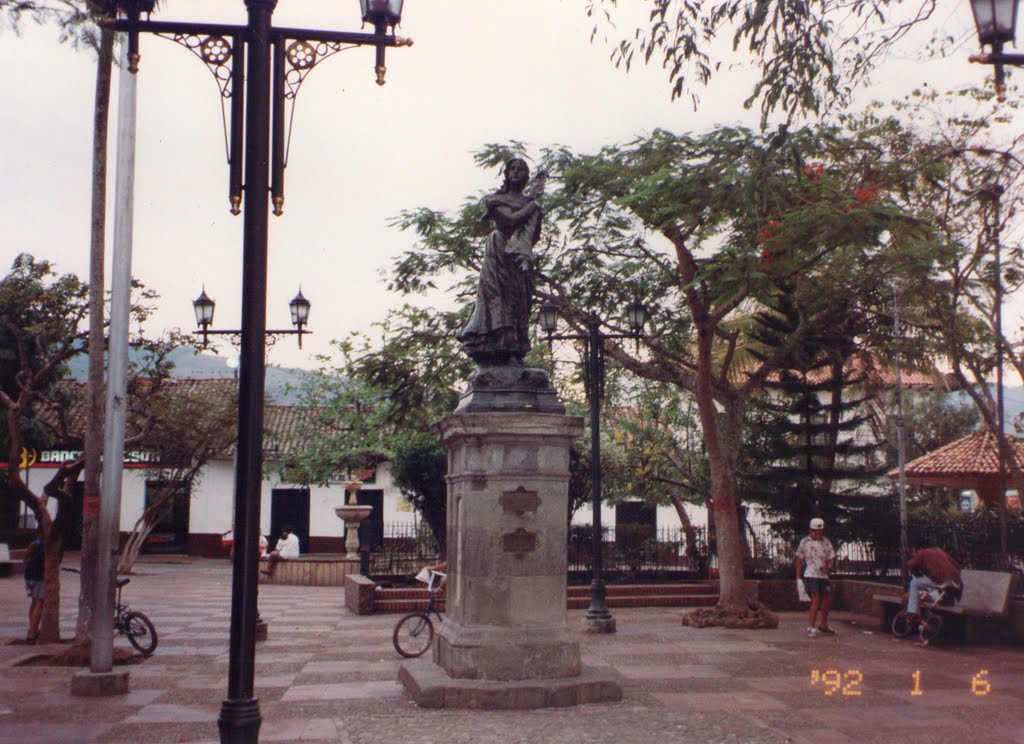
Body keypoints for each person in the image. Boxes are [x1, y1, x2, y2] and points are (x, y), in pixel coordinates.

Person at [456, 157, 546, 366]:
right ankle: (497, 346)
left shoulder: (528, 202)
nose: (516, 172)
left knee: (520, 300)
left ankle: (515, 350)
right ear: (506, 174)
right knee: (498, 297)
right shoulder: (496, 199)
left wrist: (535, 216)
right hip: (499, 251)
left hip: (520, 255)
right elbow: (509, 220)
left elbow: (534, 236)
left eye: (521, 170)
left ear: (526, 176)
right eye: (512, 169)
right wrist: (533, 207)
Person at [795, 517, 837, 637]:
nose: (818, 534)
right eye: (815, 531)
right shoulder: (805, 542)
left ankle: (824, 624)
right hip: (811, 574)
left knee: (827, 599)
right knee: (816, 599)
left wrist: (828, 567)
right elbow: (799, 559)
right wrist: (798, 577)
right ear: (810, 530)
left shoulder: (826, 542)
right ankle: (811, 626)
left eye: (820, 532)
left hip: (823, 576)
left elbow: (831, 557)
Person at [904, 545, 962, 617]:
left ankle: (912, 611)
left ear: (920, 548)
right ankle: (947, 600)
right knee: (935, 581)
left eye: (914, 552)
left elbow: (910, 564)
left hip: (941, 580)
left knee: (914, 583)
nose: (914, 554)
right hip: (954, 581)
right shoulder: (939, 551)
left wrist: (917, 574)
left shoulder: (922, 552)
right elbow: (957, 565)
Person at [23, 531, 45, 644]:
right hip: (40, 577)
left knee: (34, 601)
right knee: (40, 603)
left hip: (29, 575)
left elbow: (26, 559)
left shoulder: (34, 544)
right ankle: (32, 632)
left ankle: (32, 627)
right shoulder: (50, 545)